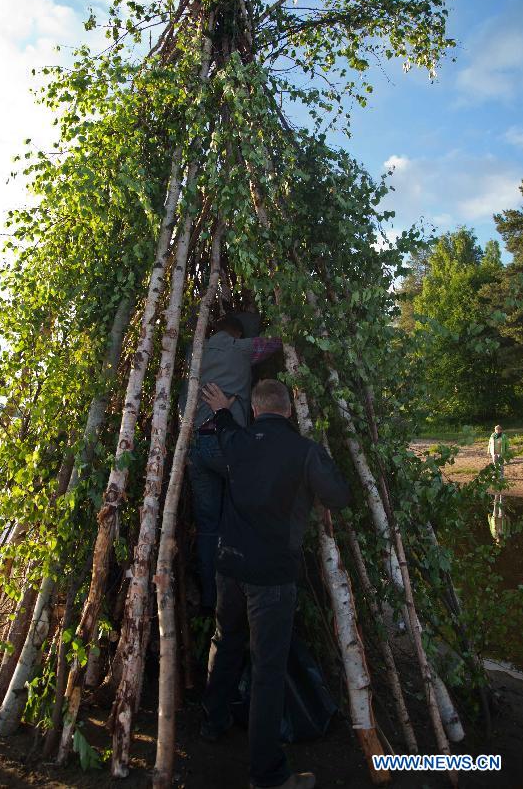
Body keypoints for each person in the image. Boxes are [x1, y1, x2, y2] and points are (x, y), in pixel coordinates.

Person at [199, 378, 351, 789]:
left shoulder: (238, 441)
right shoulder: (304, 452)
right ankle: (266, 774)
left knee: (225, 640)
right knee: (267, 668)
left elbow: (227, 429)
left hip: (229, 566)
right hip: (272, 577)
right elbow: (338, 496)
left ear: (255, 409)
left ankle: (213, 722)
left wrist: (221, 408)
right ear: (288, 410)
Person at [186, 315, 281, 612]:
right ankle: (241, 600)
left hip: (196, 447)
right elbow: (276, 342)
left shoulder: (195, 351)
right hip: (226, 444)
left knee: (208, 527)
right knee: (244, 518)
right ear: (236, 332)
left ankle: (210, 600)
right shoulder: (241, 348)